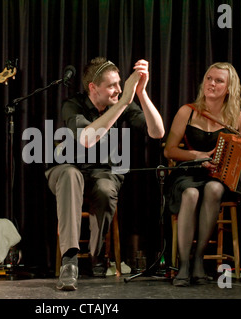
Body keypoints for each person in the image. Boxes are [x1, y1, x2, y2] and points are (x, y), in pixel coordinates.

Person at [46, 57, 165, 290]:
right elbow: (87, 139)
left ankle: (97, 255)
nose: (119, 90)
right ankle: (69, 261)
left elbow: (157, 131)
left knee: (104, 189)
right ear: (93, 87)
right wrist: (121, 104)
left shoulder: (122, 101)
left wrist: (140, 93)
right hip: (67, 169)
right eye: (112, 85)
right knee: (71, 176)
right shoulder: (73, 105)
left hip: (103, 172)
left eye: (120, 84)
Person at [164, 62, 241, 286]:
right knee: (190, 193)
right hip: (187, 175)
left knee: (214, 188)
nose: (211, 84)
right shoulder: (187, 111)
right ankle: (184, 264)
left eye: (219, 81)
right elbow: (169, 150)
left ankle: (199, 260)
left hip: (218, 178)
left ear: (229, 88)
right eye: (209, 78)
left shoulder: (238, 118)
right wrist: (198, 155)